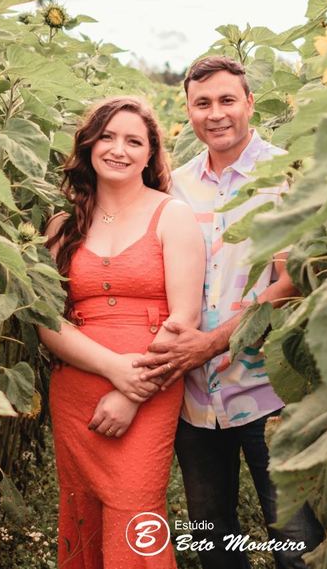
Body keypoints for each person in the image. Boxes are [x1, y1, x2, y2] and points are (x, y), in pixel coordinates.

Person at [133, 57, 323, 569]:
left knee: (297, 541)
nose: (215, 114)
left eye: (226, 100)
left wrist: (211, 343)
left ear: (249, 104)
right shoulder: (176, 185)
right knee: (212, 540)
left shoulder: (284, 175)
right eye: (202, 103)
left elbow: (292, 281)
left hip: (269, 392)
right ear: (188, 110)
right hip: (194, 395)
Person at [40, 96, 205, 568]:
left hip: (150, 387)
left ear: (150, 153)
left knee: (135, 504)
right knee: (83, 510)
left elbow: (184, 320)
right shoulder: (61, 226)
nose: (119, 149)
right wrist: (115, 370)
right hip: (78, 390)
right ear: (89, 145)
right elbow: (47, 321)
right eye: (108, 137)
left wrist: (132, 393)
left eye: (134, 140)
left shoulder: (171, 215)